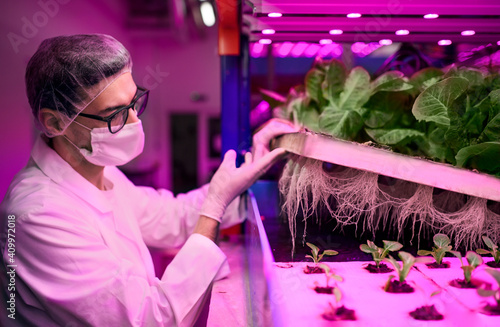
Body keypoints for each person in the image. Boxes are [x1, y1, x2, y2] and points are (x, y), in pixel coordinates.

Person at [0, 34, 298, 326]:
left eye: (134, 103)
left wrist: (244, 176)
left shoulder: (97, 170)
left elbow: (170, 217)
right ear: (55, 123)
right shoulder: (36, 215)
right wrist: (214, 206)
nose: (134, 121)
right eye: (114, 114)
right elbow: (151, 319)